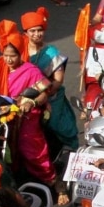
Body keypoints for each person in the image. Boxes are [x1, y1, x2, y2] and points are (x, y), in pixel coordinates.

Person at [0, 23, 55, 183]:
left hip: (25, 115)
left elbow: (44, 92)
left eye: (13, 56)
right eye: (5, 55)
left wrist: (32, 102)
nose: (8, 59)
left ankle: (51, 179)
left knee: (30, 148)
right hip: (1, 115)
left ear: (21, 53)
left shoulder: (31, 71)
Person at [25, 11, 79, 153]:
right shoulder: (21, 51)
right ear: (25, 33)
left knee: (54, 124)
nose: (37, 34)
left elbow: (58, 80)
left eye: (40, 30)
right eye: (32, 31)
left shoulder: (51, 52)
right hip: (23, 96)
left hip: (51, 95)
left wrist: (44, 95)